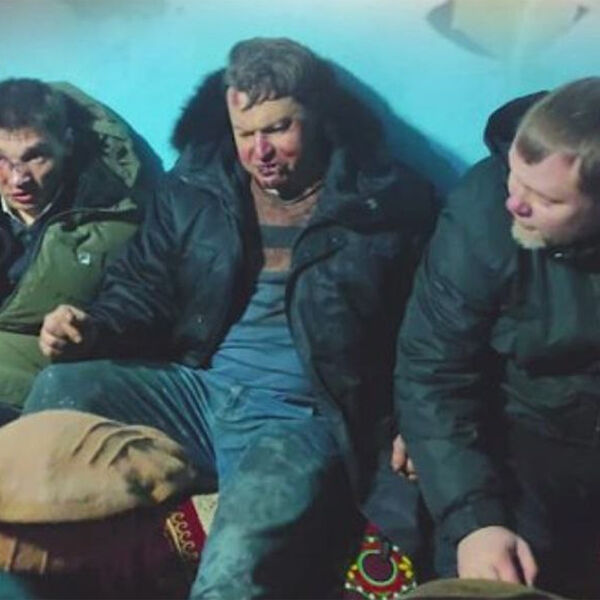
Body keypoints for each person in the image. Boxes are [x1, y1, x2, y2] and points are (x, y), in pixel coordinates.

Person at [23, 38, 437, 598]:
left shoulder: (386, 204)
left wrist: (413, 421)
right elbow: (143, 286)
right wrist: (90, 328)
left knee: (235, 563)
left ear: (317, 117)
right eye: (245, 133)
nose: (259, 151)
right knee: (60, 386)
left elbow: (426, 332)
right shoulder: (199, 184)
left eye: (278, 128)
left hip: (299, 418)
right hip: (200, 392)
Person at [395, 77, 600, 598]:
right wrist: (474, 521)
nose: (514, 203)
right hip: (521, 432)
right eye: (514, 177)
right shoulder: (482, 209)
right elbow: (432, 370)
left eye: (545, 198)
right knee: (487, 574)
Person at [0, 78, 161, 417]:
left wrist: (90, 329)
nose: (17, 179)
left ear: (68, 143)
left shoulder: (126, 217)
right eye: (1, 159)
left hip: (53, 392)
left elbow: (148, 313)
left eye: (36, 156)